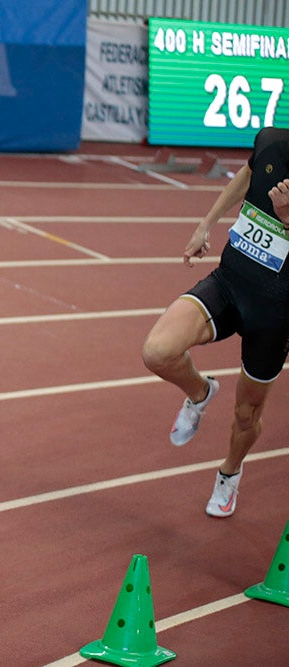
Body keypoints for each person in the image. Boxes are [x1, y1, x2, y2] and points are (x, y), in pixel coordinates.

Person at [142, 126, 289, 518]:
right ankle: (199, 392)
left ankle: (229, 472)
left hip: (274, 316)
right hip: (228, 283)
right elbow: (248, 175)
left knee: (247, 414)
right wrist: (206, 223)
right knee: (157, 352)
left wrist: (288, 221)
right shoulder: (271, 142)